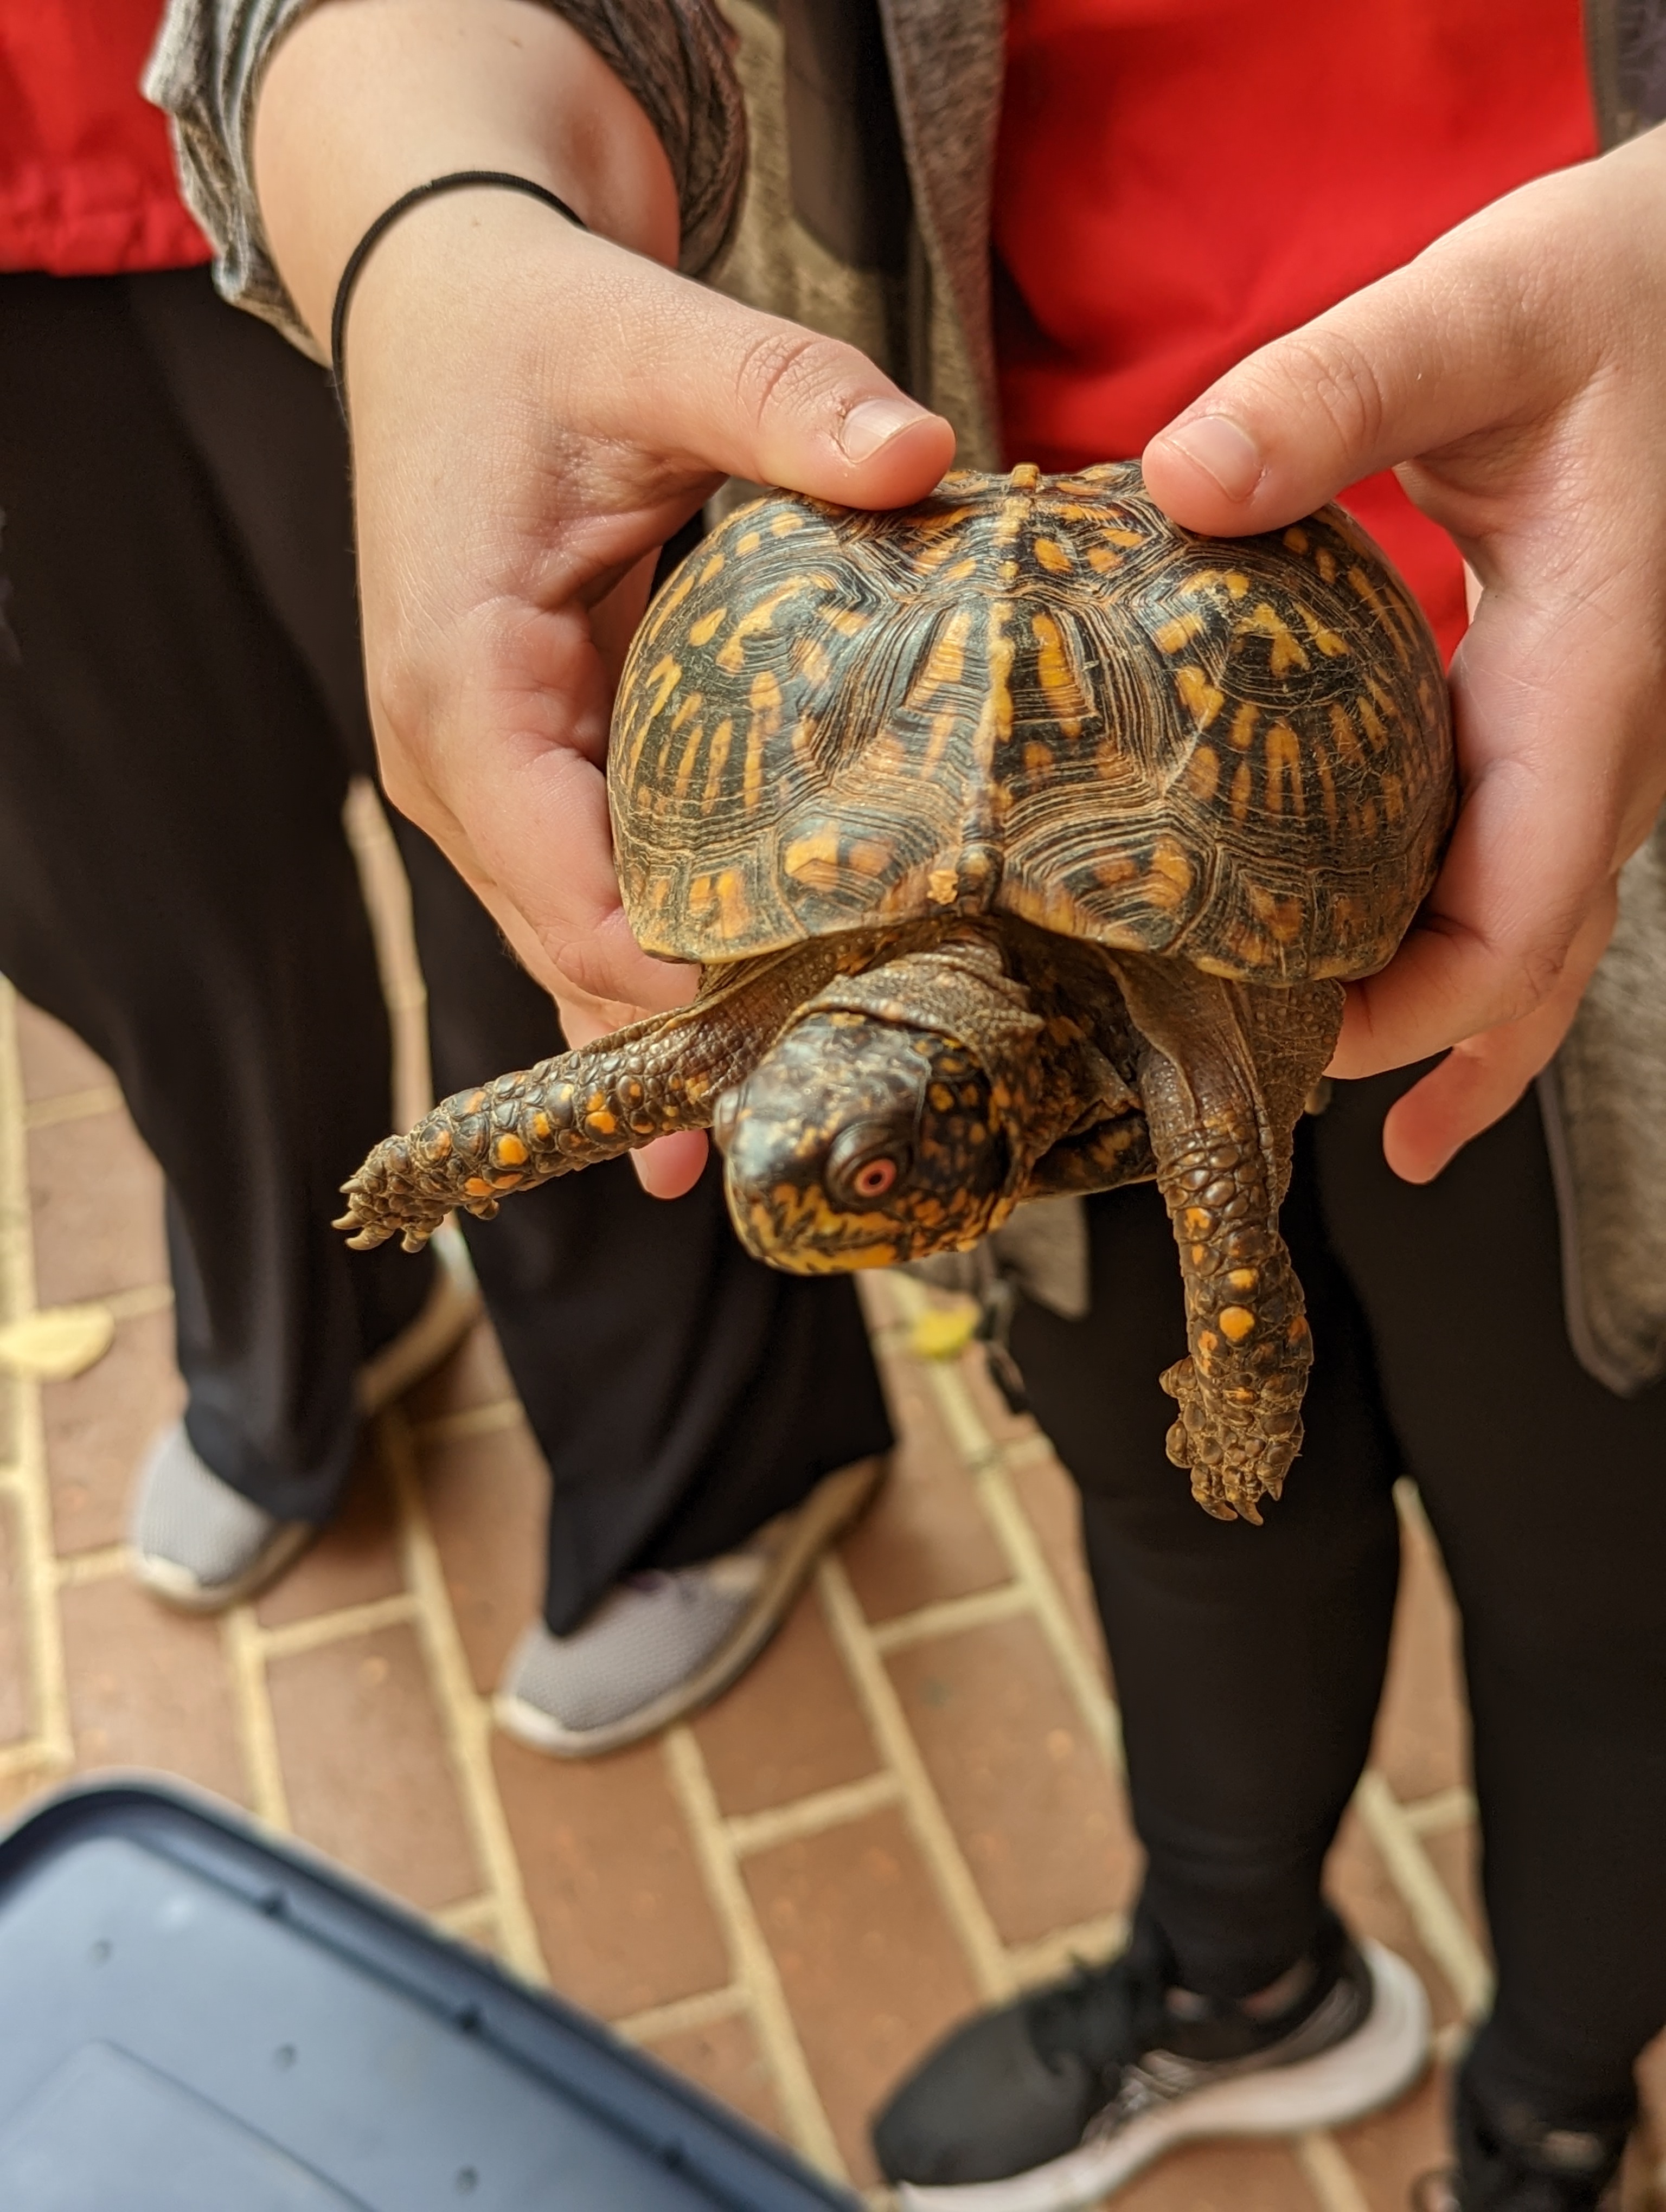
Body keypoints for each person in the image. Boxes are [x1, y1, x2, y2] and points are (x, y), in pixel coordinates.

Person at [152, 0, 1666, 2203]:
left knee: (1605, 1565)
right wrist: (425, 205)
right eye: (833, 1152)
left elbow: (1201, 1141)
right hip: (937, 523)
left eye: (848, 1164)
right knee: (1175, 1508)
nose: (798, 1190)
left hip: (1597, 769)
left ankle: (1554, 2100)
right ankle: (1236, 1973)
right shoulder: (834, 1050)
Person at [0, 0, 891, 1763]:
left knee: (548, 838)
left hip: (349, 101)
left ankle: (700, 1451)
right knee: (122, 860)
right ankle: (303, 1309)